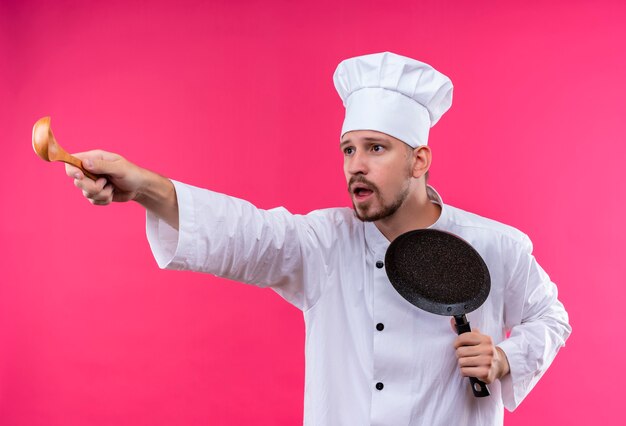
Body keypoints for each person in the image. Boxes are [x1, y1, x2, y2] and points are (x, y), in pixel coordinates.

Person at [66, 52, 571, 425]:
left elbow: (552, 317)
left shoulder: (494, 245)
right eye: (348, 150)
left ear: (420, 160)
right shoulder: (326, 243)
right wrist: (144, 186)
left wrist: (506, 357)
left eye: (376, 148)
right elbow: (244, 233)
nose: (356, 166)